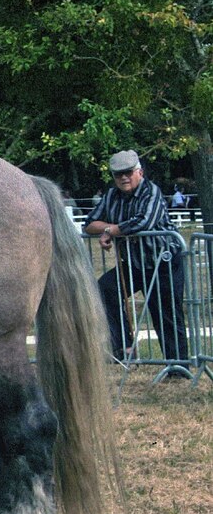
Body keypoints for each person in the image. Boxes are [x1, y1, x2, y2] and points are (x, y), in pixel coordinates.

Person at [84, 150, 189, 370]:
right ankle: (125, 349)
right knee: (105, 289)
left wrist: (111, 230)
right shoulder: (111, 195)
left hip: (164, 262)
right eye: (118, 174)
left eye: (128, 172)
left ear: (139, 171)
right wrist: (109, 230)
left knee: (166, 314)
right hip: (135, 265)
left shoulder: (152, 192)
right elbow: (90, 222)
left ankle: (178, 367)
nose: (123, 178)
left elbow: (143, 223)